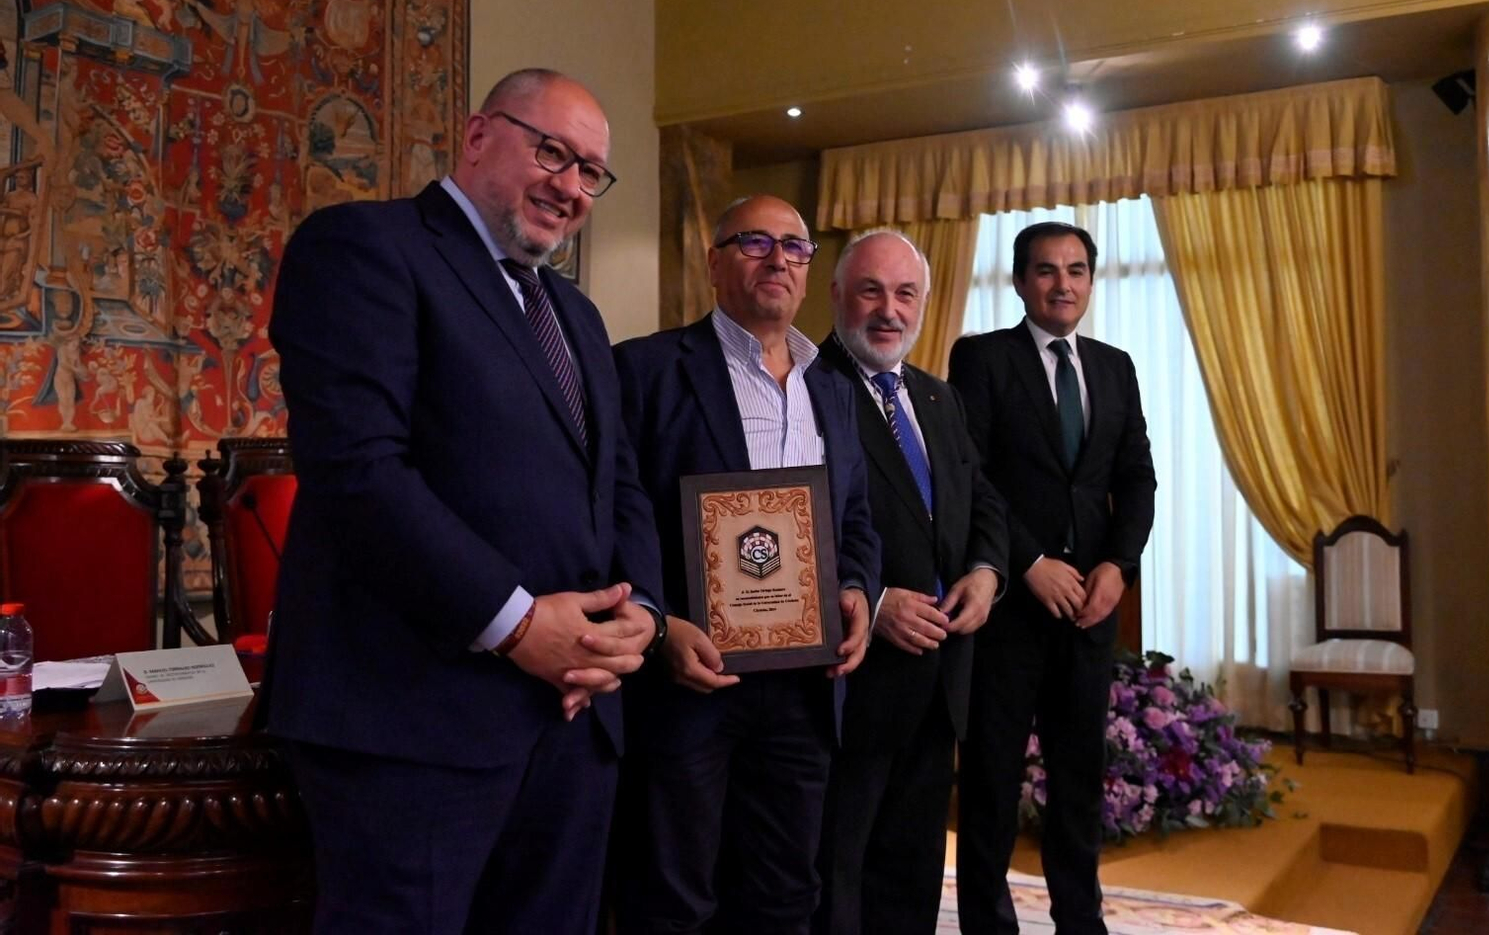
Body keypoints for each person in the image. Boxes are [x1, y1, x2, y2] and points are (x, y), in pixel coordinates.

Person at [265, 68, 666, 935]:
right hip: (412, 722)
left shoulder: (578, 315)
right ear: (480, 134)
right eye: (551, 152)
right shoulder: (365, 247)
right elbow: (359, 472)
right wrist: (521, 625)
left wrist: (639, 617)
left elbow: (620, 483)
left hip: (574, 719)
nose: (570, 186)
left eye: (591, 171)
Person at [610, 194, 882, 935]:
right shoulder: (645, 370)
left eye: (795, 247)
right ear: (715, 261)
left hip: (804, 683)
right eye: (755, 241)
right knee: (673, 894)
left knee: (785, 891)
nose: (778, 259)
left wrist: (856, 588)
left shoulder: (834, 384)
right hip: (691, 678)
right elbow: (609, 516)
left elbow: (853, 516)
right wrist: (660, 624)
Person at [949, 221, 1156, 935]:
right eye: (1045, 270)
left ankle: (1081, 920)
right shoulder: (981, 359)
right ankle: (987, 923)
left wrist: (1117, 566)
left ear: (1091, 281)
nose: (1062, 283)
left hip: (1090, 612)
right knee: (991, 782)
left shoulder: (1115, 365)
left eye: (1075, 270)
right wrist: (1028, 561)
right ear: (1018, 280)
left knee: (1077, 785)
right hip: (1008, 607)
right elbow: (970, 474)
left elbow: (1135, 479)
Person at [813, 230, 1009, 935]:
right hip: (854, 682)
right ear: (835, 294)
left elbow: (980, 496)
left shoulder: (936, 396)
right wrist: (877, 598)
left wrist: (987, 573)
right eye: (871, 290)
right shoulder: (807, 388)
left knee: (915, 867)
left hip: (940, 679)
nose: (888, 310)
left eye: (905, 293)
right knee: (838, 870)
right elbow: (793, 530)